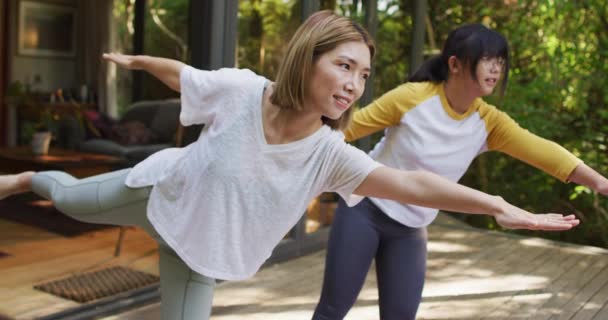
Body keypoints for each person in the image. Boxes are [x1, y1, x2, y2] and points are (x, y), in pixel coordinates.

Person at [0, 14, 578, 320]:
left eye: (363, 76)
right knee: (71, 200)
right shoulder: (243, 91)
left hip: (201, 250)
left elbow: (411, 183)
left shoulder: (329, 155)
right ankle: (24, 178)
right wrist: (133, 58)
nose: (353, 85)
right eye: (344, 66)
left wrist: (499, 206)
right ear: (310, 57)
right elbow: (182, 74)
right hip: (159, 193)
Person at [313, 23, 608, 320]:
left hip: (412, 227)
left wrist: (600, 183)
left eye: (501, 62)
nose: (496, 69)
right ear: (454, 64)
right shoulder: (412, 97)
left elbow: (544, 151)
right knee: (333, 310)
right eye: (487, 59)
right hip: (364, 210)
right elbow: (345, 129)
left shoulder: (488, 122)